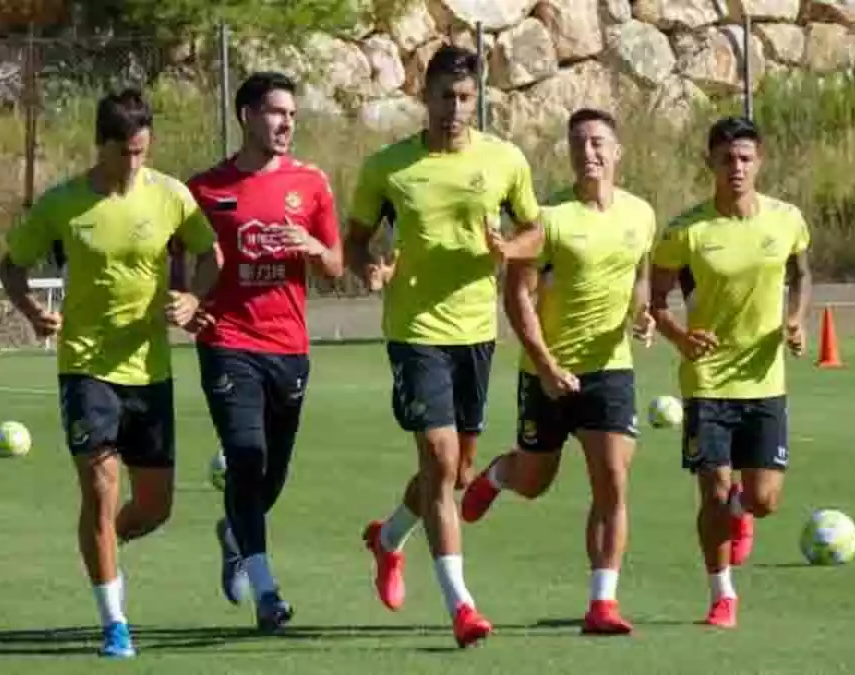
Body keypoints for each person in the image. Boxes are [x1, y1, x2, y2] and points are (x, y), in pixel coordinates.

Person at [0, 88, 219, 658]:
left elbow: (210, 255)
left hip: (150, 368)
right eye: (125, 153)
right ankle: (114, 622)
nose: (134, 164)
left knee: (155, 506)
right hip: (86, 367)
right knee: (100, 489)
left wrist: (193, 301)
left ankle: (102, 546)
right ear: (103, 146)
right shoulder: (62, 204)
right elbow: (11, 265)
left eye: (143, 152)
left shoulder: (172, 197)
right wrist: (29, 310)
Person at [343, 43, 543, 647]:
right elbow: (356, 240)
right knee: (436, 455)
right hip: (415, 332)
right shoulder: (389, 169)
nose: (454, 109)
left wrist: (510, 250)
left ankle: (388, 538)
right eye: (443, 97)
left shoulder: (505, 161)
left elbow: (535, 230)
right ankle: (462, 605)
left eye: (463, 98)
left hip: (477, 333)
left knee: (455, 474)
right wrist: (367, 268)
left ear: (475, 98)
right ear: (423, 97)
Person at [460, 108, 655, 636]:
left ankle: (602, 603)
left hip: (610, 371)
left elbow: (638, 277)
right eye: (577, 145)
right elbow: (516, 295)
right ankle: (500, 474)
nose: (587, 153)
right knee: (533, 482)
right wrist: (546, 366)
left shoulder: (641, 215)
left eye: (597, 143)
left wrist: (641, 315)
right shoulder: (547, 220)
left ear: (617, 152)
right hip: (546, 373)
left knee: (612, 481)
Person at [178, 71, 344, 633]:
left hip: (290, 347)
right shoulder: (203, 189)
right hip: (227, 342)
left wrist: (315, 247)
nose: (285, 124)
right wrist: (184, 300)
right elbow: (179, 259)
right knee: (245, 458)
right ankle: (268, 594)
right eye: (275, 112)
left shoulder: (311, 183)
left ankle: (234, 535)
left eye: (292, 115)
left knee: (270, 477)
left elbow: (336, 268)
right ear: (246, 114)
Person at [647, 116, 812, 629]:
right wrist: (678, 336)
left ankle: (742, 511)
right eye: (726, 159)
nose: (735, 168)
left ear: (758, 161)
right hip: (708, 382)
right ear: (710, 163)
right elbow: (655, 300)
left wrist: (796, 318)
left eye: (744, 158)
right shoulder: (686, 231)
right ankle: (722, 595)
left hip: (766, 380)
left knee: (762, 501)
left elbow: (801, 273)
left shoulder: (786, 219)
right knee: (713, 492)